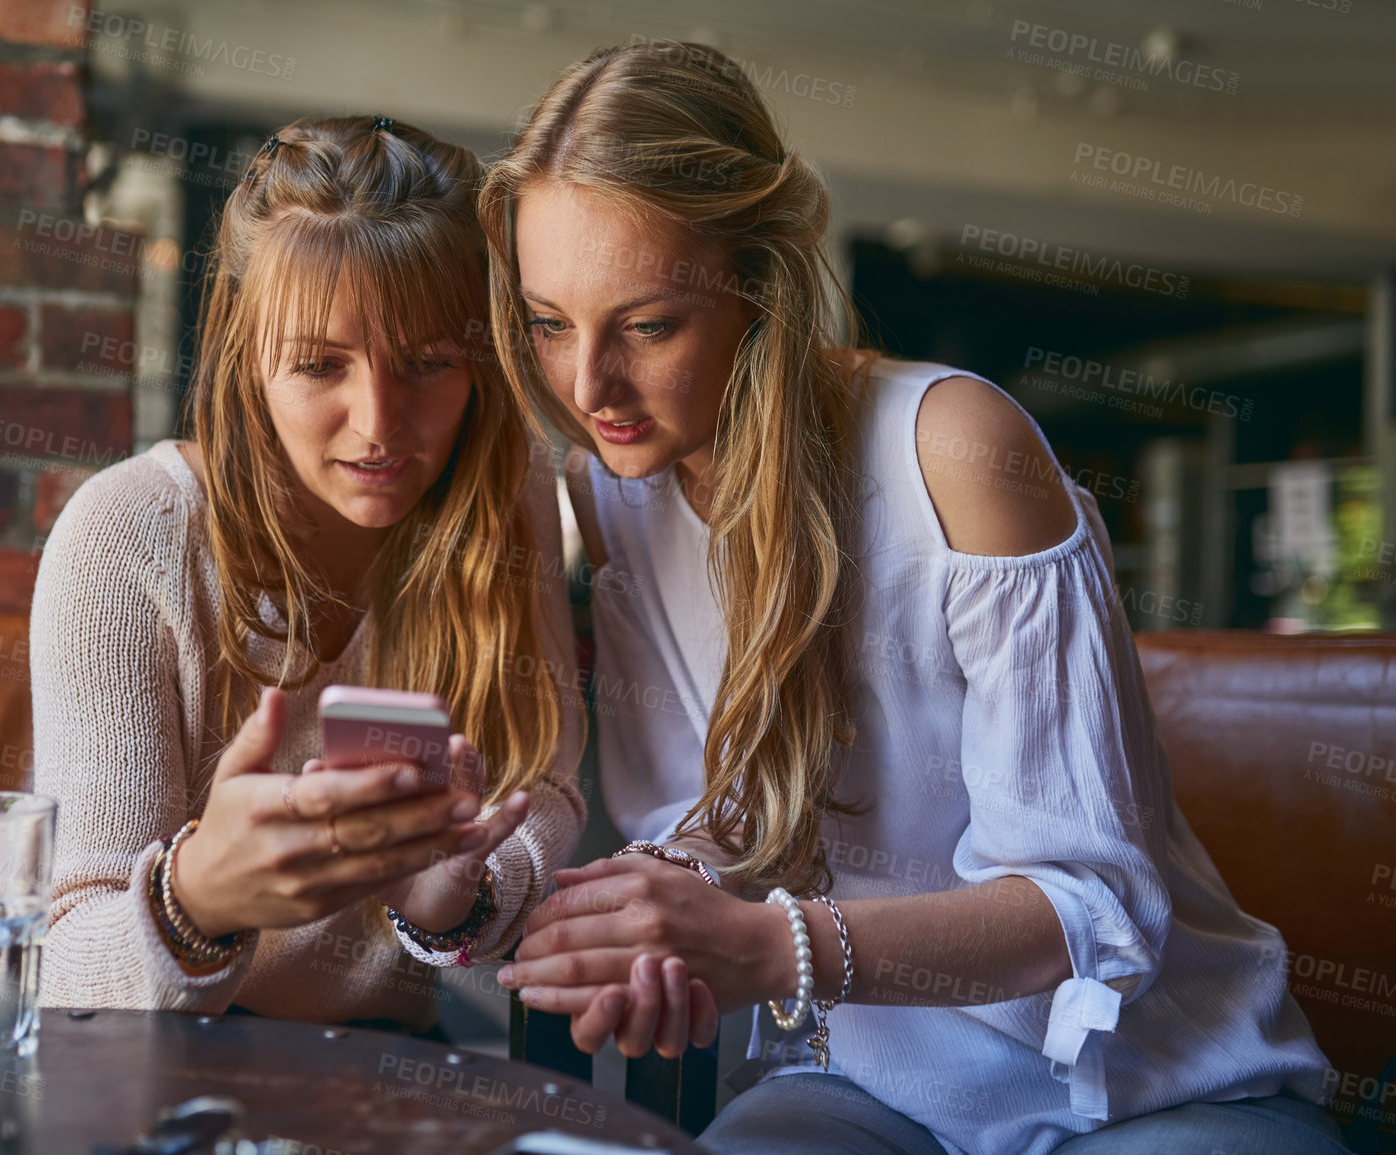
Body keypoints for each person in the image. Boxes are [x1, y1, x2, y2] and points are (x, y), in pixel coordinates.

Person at [479, 42, 1345, 1154]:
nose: (588, 386)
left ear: (759, 287)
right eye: (550, 323)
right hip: (867, 1085)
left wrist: (771, 948)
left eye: (647, 326)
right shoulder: (615, 490)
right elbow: (712, 822)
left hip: (1153, 1085)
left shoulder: (959, 452)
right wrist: (659, 912)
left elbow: (1089, 904)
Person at [30, 115, 584, 1031]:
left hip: (385, 1072)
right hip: (158, 1071)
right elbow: (67, 959)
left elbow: (545, 784)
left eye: (428, 363)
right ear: (248, 357)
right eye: (320, 365)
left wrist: (461, 893)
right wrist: (197, 896)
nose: (378, 422)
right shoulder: (127, 533)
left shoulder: (504, 485)